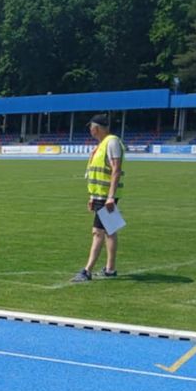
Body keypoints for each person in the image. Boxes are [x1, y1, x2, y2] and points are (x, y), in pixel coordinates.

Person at [72, 113, 125, 282]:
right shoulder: (101, 145)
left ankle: (87, 271)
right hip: (100, 196)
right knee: (110, 231)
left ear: (96, 128)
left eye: (91, 127)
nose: (89, 130)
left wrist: (110, 196)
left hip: (106, 196)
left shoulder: (112, 142)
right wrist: (92, 197)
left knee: (98, 232)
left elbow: (116, 169)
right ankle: (110, 269)